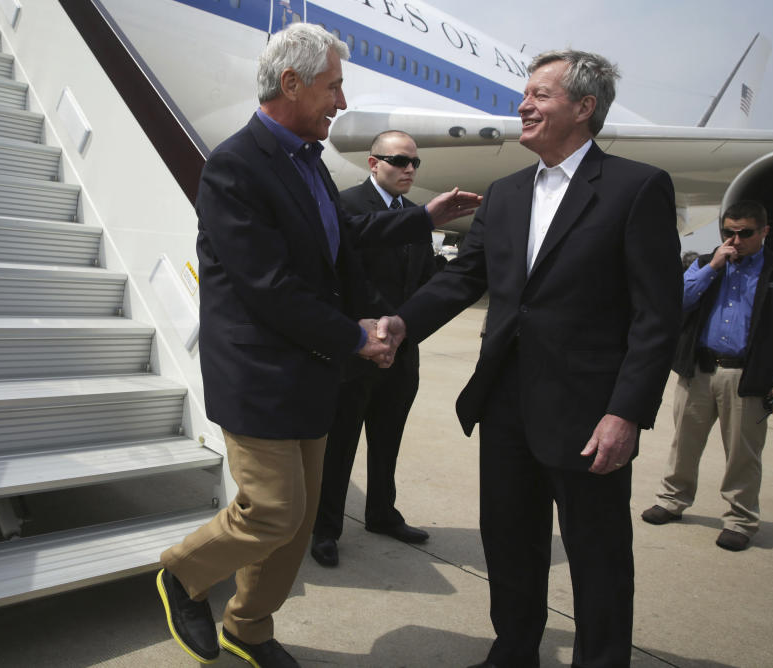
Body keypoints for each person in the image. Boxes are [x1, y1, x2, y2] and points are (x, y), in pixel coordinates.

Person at [154, 23, 480, 667]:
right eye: (333, 86)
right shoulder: (234, 167)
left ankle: (248, 628)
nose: (340, 100)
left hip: (311, 372)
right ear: (291, 83)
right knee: (272, 510)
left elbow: (342, 239)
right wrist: (354, 336)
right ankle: (181, 574)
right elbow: (267, 285)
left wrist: (423, 218)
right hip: (259, 375)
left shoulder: (309, 164)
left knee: (298, 524)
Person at [380, 50, 683, 667]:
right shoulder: (507, 193)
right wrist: (399, 324)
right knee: (510, 546)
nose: (523, 105)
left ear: (584, 106)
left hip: (589, 416)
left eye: (540, 95)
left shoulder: (635, 188)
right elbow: (463, 280)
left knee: (597, 558)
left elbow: (657, 318)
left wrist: (625, 412)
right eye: (526, 94)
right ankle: (513, 652)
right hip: (507, 406)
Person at [311, 130, 441, 568]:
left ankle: (382, 513)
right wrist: (376, 332)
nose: (409, 170)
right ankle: (325, 528)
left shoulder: (416, 216)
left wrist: (406, 330)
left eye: (414, 163)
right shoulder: (346, 207)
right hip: (355, 352)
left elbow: (421, 281)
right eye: (399, 161)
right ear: (373, 163)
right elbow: (343, 283)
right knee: (340, 445)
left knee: (388, 440)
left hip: (402, 354)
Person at [642, 200, 773, 552]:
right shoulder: (705, 265)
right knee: (684, 441)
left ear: (764, 232)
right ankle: (673, 499)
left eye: (745, 234)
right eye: (729, 232)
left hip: (746, 374)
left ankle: (740, 518)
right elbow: (676, 302)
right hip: (699, 368)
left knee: (743, 452)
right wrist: (711, 267)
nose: (736, 240)